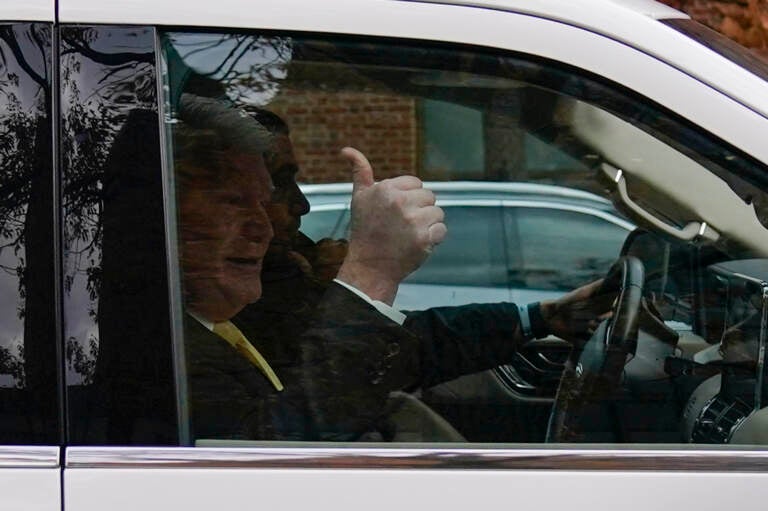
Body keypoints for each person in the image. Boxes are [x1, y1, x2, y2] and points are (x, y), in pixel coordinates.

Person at [221, 107, 612, 441]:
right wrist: (369, 272)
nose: (302, 205)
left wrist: (539, 317)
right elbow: (296, 442)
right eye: (276, 186)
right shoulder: (197, 326)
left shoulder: (283, 275)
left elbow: (407, 348)